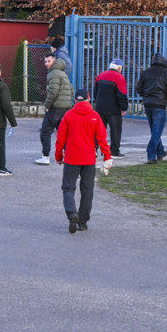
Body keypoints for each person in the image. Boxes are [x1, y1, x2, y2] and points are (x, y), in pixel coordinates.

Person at [55, 89, 111, 234]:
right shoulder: (95, 116)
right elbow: (102, 139)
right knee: (87, 190)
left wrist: (58, 156)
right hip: (88, 159)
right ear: (88, 99)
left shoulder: (68, 115)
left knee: (68, 188)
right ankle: (83, 221)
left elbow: (61, 137)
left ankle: (72, 213)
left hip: (71, 158)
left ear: (75, 101)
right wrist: (107, 156)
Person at [135, 53, 167, 163]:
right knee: (157, 131)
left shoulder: (145, 73)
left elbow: (139, 88)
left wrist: (146, 96)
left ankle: (160, 151)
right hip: (160, 105)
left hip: (148, 104)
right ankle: (151, 154)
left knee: (155, 130)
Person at [36, 54, 73, 165]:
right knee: (62, 131)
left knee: (45, 131)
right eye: (46, 61)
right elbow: (71, 90)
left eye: (49, 61)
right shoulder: (62, 73)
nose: (47, 63)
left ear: (54, 61)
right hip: (65, 107)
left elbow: (53, 92)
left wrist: (47, 105)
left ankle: (45, 156)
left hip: (56, 107)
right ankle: (68, 154)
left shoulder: (53, 73)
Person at [93, 58, 128, 158]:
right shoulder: (119, 77)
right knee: (115, 130)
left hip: (100, 108)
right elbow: (122, 95)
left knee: (99, 130)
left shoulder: (100, 75)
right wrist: (124, 108)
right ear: (119, 67)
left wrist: (98, 103)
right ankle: (114, 151)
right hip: (114, 109)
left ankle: (94, 149)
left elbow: (95, 92)